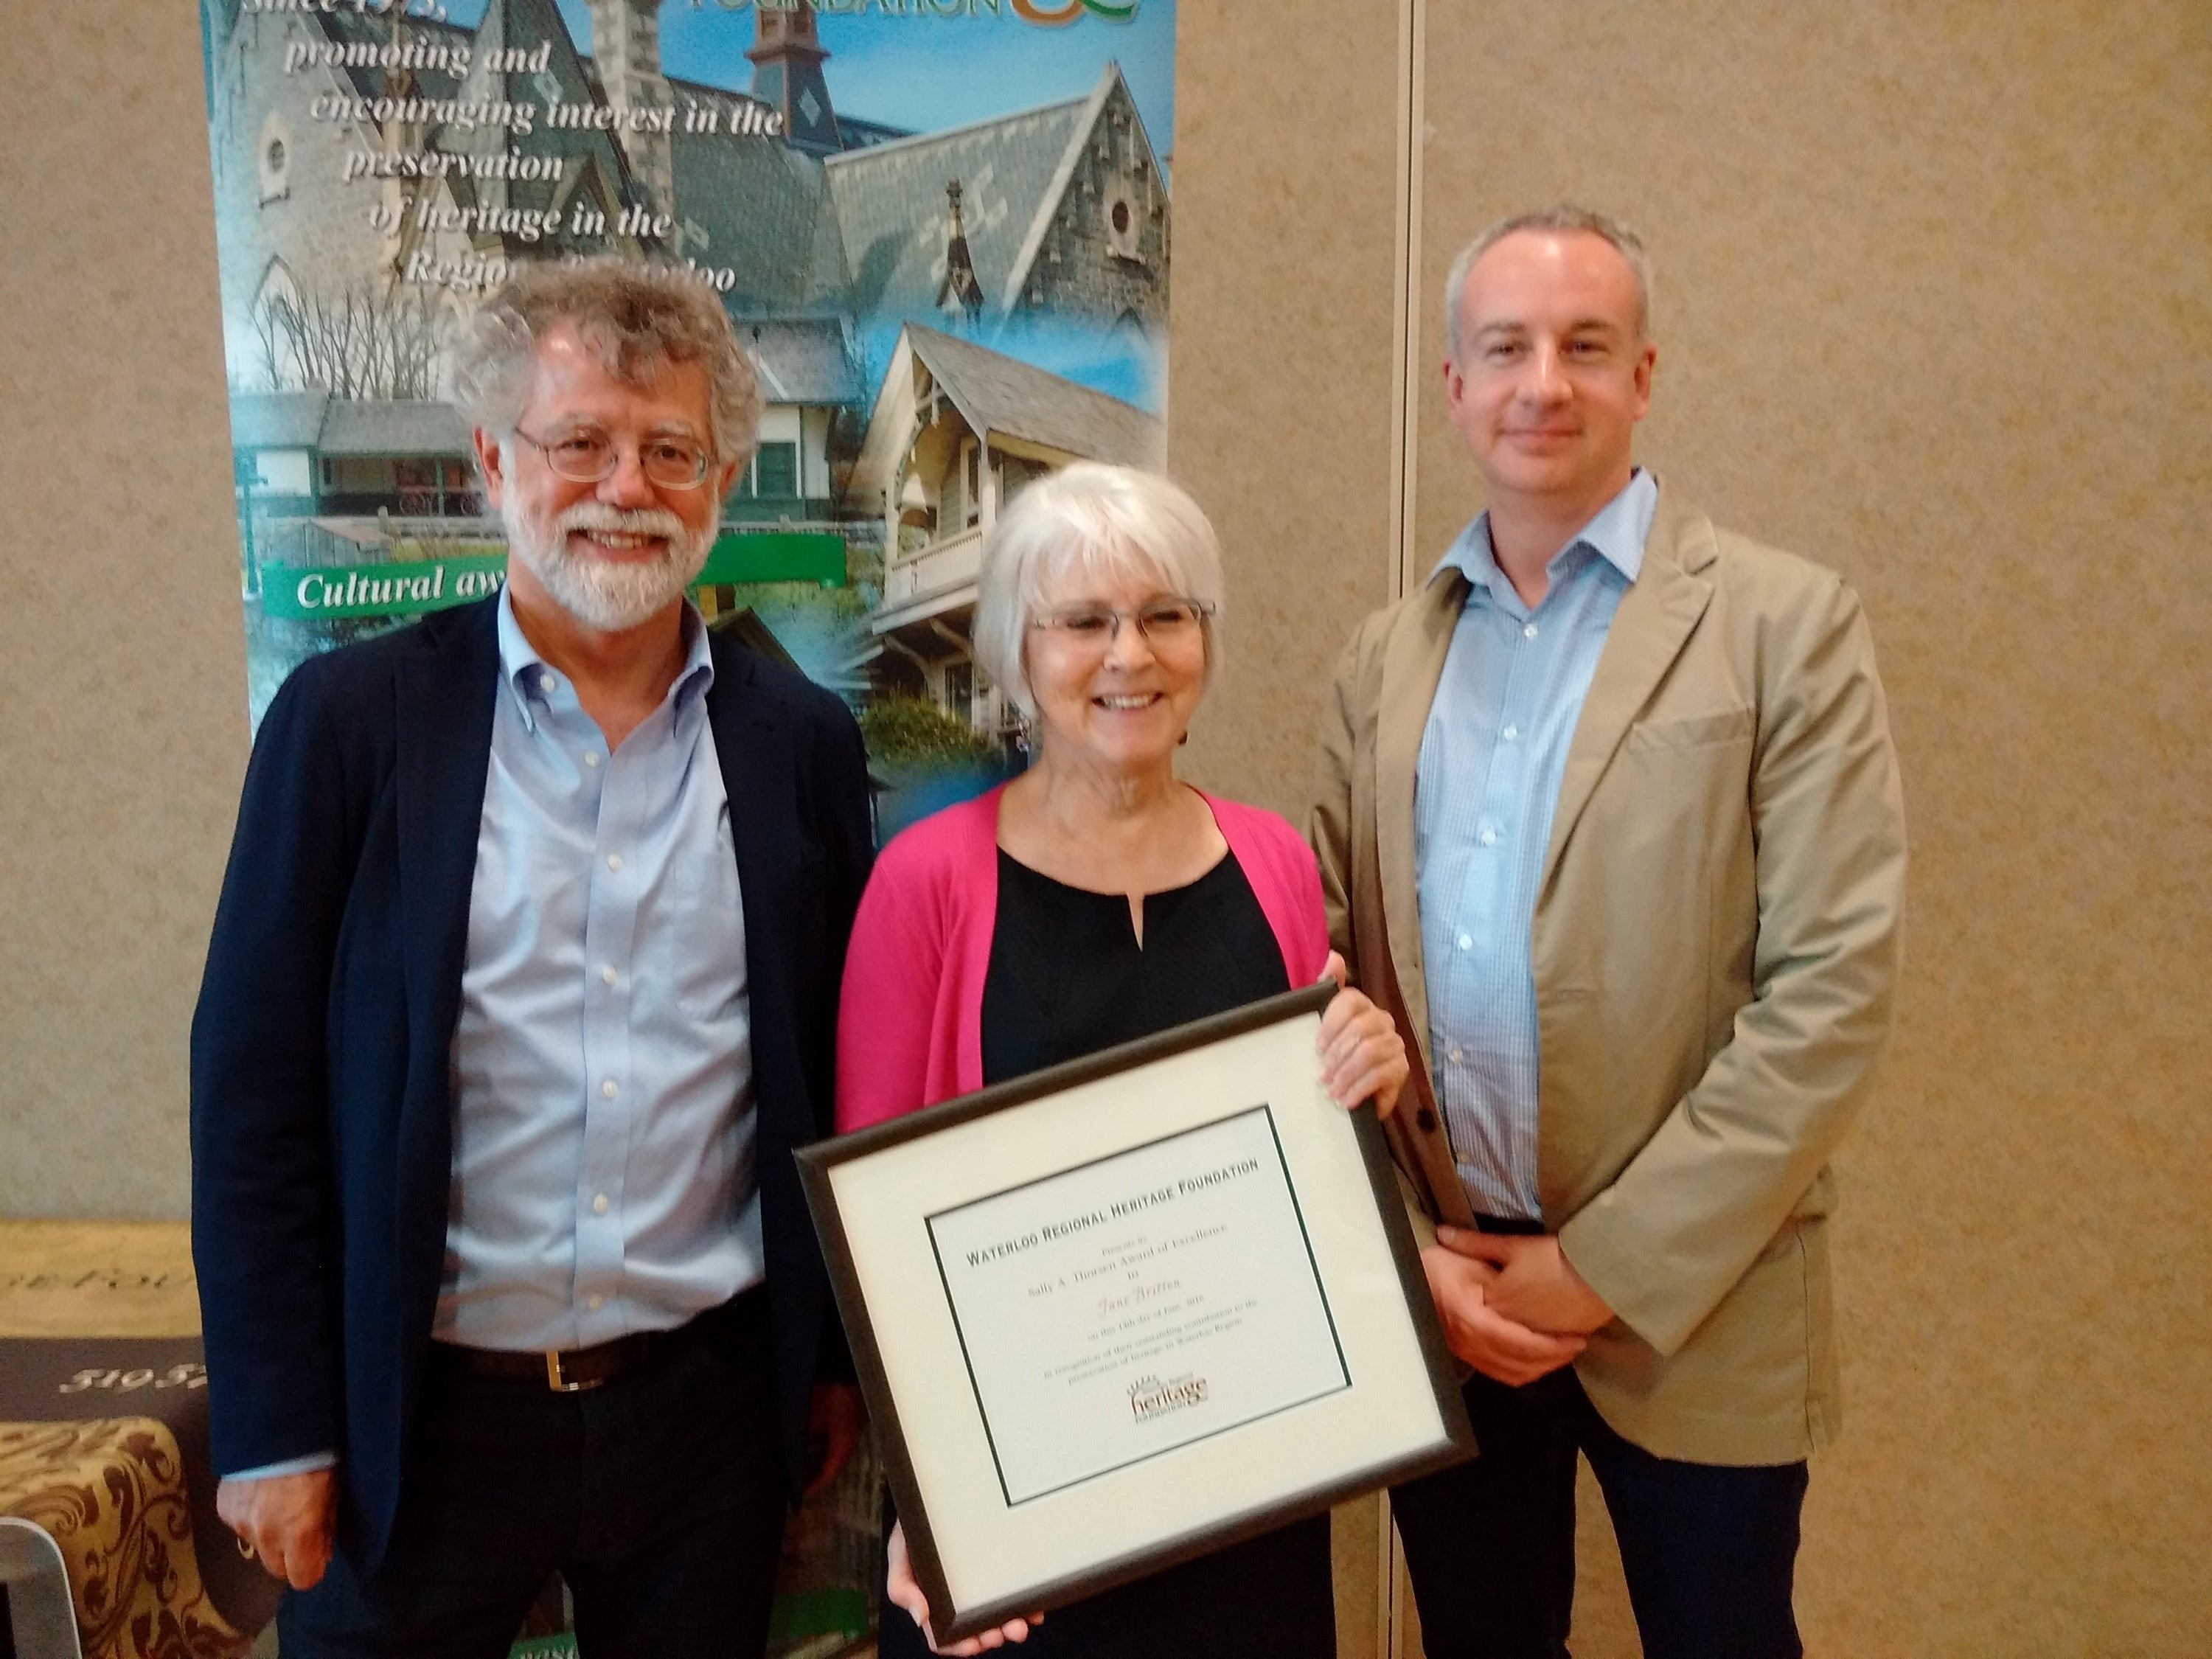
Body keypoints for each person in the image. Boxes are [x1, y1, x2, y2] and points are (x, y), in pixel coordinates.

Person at [189, 257, 874, 1659]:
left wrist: (825, 1364)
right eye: (580, 443)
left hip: (705, 1424)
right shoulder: (350, 727)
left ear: (722, 481)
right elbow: (251, 1098)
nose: (626, 487)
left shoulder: (801, 747)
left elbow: (827, 1073)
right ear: (496, 458)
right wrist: (275, 1423)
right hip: (414, 1426)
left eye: (669, 451)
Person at [1310, 206, 1907, 1658]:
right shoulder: (1382, 660)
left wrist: (1606, 1264)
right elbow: (1325, 983)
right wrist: (1412, 1258)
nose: (1543, 383)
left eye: (1586, 346)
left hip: (1697, 1301)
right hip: (1454, 1298)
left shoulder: (1784, 626)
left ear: (1645, 375)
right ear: (1452, 387)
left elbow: (1830, 991)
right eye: (1504, 348)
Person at [838, 462, 1411, 1658]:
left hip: (1246, 1485)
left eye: (1165, 615)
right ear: (1016, 650)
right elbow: (877, 1247)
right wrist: (932, 1511)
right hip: (1021, 1512)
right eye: (1083, 621)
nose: (1128, 655)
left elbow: (1310, 1174)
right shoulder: (927, 883)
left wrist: (1366, 1082)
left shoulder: (1275, 862)